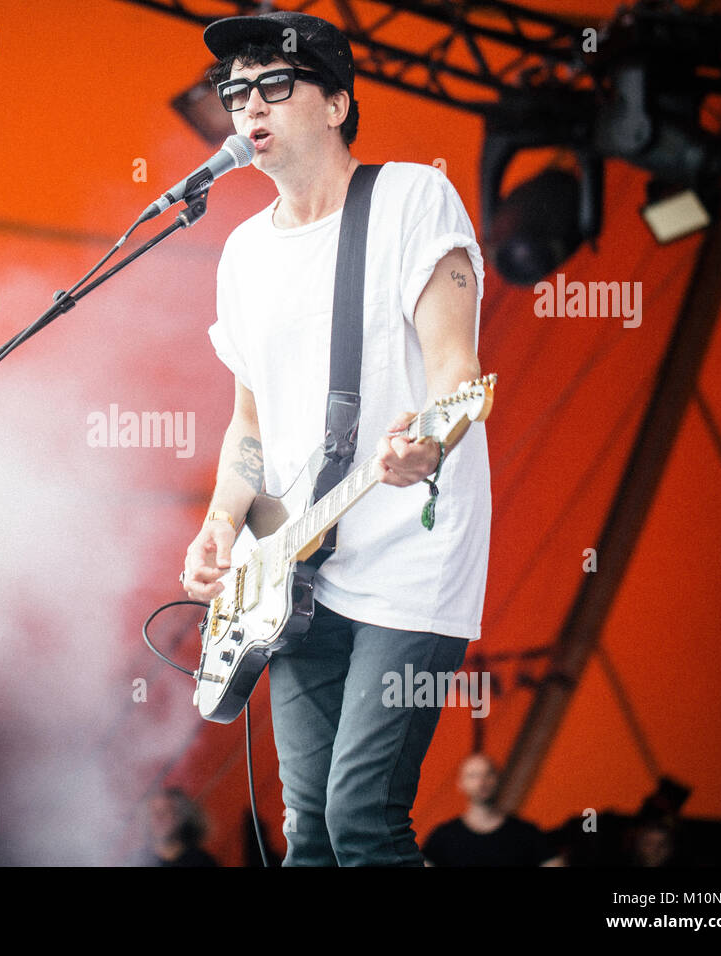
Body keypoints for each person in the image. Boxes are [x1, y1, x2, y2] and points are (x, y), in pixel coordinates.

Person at [181, 11, 491, 866]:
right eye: (234, 91)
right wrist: (218, 523)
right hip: (290, 570)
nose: (250, 106)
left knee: (363, 819)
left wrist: (431, 442)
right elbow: (252, 422)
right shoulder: (241, 253)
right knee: (307, 836)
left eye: (274, 86)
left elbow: (458, 372)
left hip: (408, 556)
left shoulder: (411, 200)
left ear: (337, 103)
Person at [423, 753, 562, 866]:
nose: (481, 781)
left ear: (498, 779)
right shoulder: (443, 837)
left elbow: (554, 862)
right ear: (460, 783)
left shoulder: (526, 833)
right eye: (473, 775)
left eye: (488, 774)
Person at [136, 788, 218, 867]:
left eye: (166, 811)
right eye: (153, 812)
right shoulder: (137, 861)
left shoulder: (202, 862)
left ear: (181, 817)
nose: (158, 818)